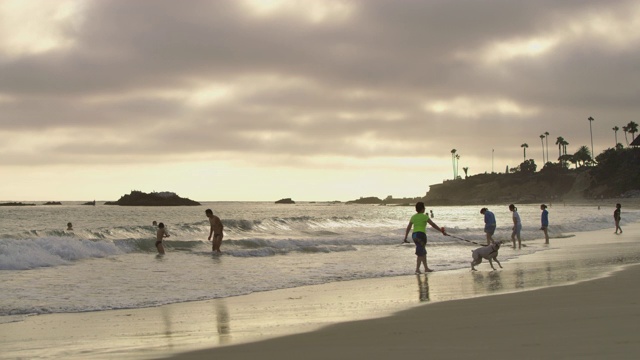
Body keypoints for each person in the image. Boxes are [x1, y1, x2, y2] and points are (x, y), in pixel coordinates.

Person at [403, 201, 447, 274]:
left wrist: (405, 237)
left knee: (422, 251)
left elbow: (408, 227)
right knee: (421, 253)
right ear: (422, 209)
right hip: (421, 235)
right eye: (424, 208)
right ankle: (417, 269)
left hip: (414, 235)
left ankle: (426, 268)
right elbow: (433, 224)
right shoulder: (424, 216)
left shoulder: (413, 217)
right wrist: (441, 231)